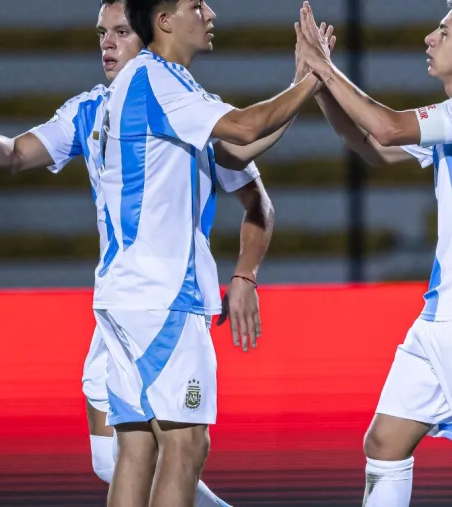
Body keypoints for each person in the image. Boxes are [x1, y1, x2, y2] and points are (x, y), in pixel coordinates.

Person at [0, 1, 280, 505]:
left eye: (120, 31)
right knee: (144, 451)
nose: (107, 43)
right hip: (143, 300)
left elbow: (256, 200)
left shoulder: (192, 107)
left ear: (151, 33)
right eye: (100, 33)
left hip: (138, 300)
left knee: (136, 451)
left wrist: (245, 275)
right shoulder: (90, 108)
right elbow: (14, 155)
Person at [294, 1, 452, 505]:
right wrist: (320, 83)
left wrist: (327, 67)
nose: (430, 39)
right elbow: (371, 144)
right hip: (442, 313)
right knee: (385, 443)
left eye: (443, 31)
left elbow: (388, 127)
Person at [95, 0, 330, 505]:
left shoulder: (164, 87)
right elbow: (243, 128)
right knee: (186, 444)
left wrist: (300, 82)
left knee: (137, 447)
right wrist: (317, 76)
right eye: (196, 4)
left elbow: (236, 151)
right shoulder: (156, 79)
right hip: (163, 296)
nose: (210, 13)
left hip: (127, 295)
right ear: (164, 21)